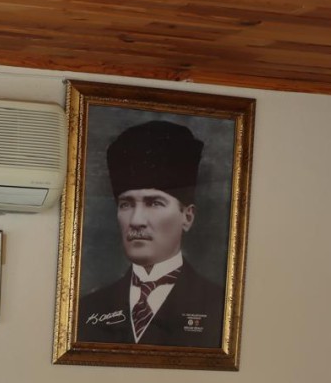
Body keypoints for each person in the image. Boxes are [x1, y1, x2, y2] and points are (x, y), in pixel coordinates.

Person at [76, 120, 225, 345]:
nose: (136, 221)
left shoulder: (220, 307)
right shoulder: (86, 309)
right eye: (126, 204)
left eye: (154, 203)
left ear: (187, 217)